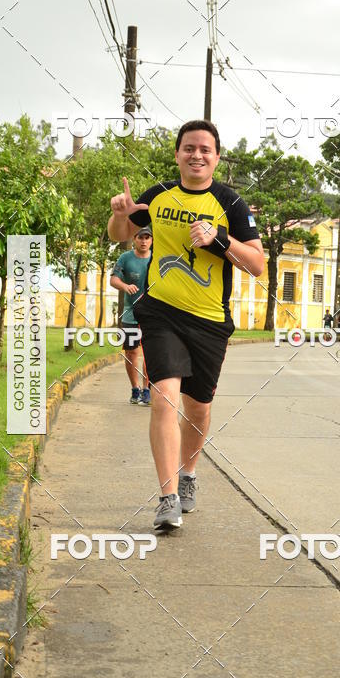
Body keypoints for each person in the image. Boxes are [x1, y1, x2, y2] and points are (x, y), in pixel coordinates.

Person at [108, 120, 264, 530]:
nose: (197, 155)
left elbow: (258, 265)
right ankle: (167, 495)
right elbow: (121, 234)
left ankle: (189, 473)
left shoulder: (231, 204)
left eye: (205, 149)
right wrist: (121, 215)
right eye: (189, 148)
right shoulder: (157, 196)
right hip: (160, 312)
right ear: (177, 154)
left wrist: (221, 240)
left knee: (198, 407)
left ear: (216, 157)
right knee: (164, 398)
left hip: (210, 320)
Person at [109, 227, 153, 405]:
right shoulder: (125, 258)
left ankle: (147, 390)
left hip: (152, 314)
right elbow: (114, 279)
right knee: (131, 352)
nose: (144, 241)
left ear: (151, 240)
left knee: (150, 354)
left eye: (147, 238)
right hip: (130, 314)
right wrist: (125, 286)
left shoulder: (156, 258)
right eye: (140, 237)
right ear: (134, 239)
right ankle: (135, 389)